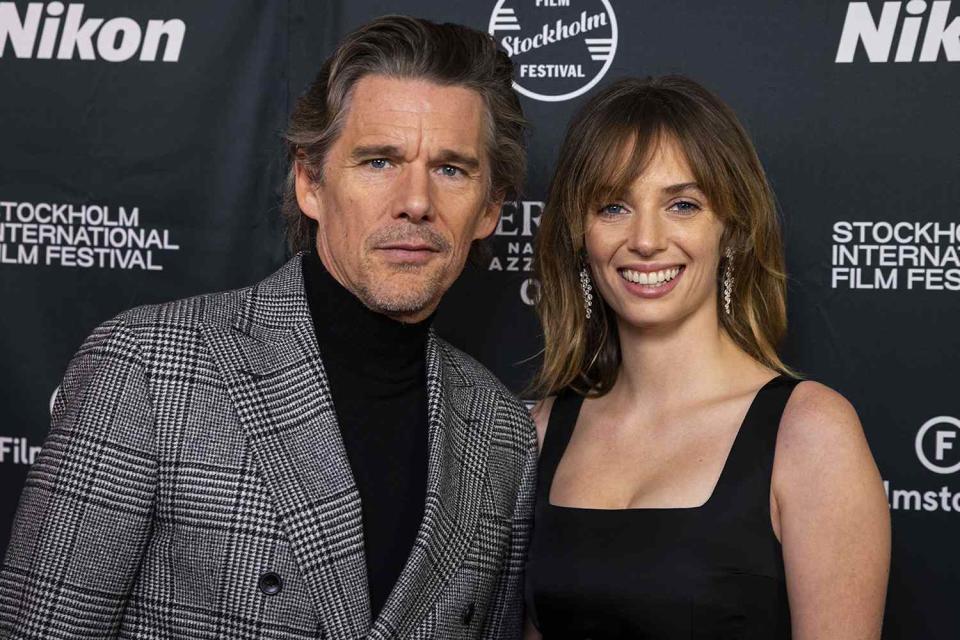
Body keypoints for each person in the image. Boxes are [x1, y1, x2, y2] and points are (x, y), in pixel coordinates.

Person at [0, 16, 537, 640]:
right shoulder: (146, 368)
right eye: (379, 161)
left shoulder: (503, 437)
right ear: (311, 182)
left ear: (490, 209)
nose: (416, 201)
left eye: (451, 169)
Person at [523, 76, 890, 639]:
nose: (646, 239)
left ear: (733, 232)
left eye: (683, 205)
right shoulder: (539, 431)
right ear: (580, 235)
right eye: (614, 206)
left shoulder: (810, 432)